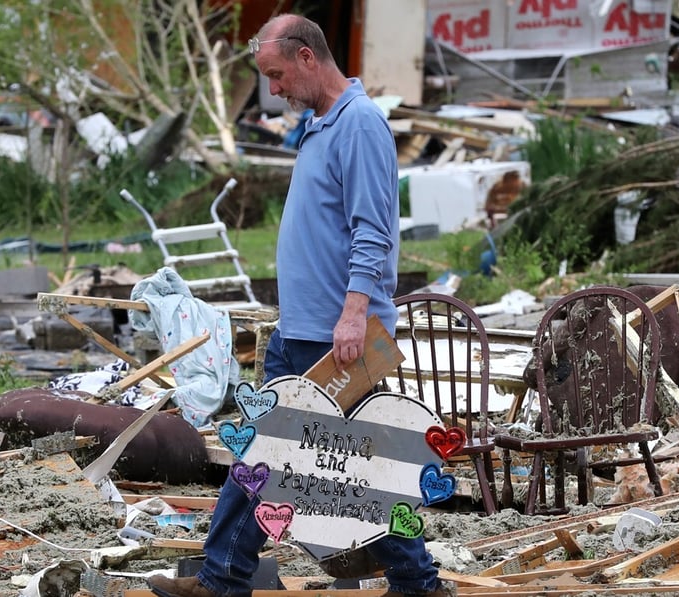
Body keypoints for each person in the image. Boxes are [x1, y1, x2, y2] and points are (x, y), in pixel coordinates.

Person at [147, 13, 454, 597]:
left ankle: (229, 580)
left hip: (340, 337)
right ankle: (411, 583)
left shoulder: (360, 124)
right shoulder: (321, 124)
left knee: (339, 466)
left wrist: (354, 313)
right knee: (297, 459)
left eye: (278, 74)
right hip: (304, 331)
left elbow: (373, 232)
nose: (275, 89)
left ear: (308, 57)